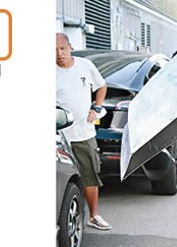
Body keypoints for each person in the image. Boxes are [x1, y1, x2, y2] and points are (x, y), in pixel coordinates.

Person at [56, 33, 111, 231]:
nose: (59, 53)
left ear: (70, 46)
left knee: (89, 175)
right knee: (60, 178)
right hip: (59, 136)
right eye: (54, 50)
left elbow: (101, 86)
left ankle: (94, 215)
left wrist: (96, 108)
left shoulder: (85, 65)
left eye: (62, 48)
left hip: (84, 134)